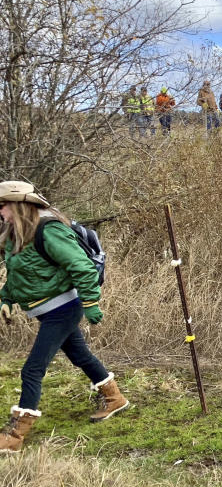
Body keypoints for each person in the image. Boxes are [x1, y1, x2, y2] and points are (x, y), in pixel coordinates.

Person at [0, 182, 130, 453]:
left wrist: (91, 302)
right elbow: (20, 273)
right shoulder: (16, 233)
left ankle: (15, 436)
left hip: (63, 308)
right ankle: (114, 398)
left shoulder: (50, 230)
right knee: (79, 356)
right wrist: (7, 298)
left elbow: (80, 266)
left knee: (32, 369)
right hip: (47, 310)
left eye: (2, 205)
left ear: (18, 204)